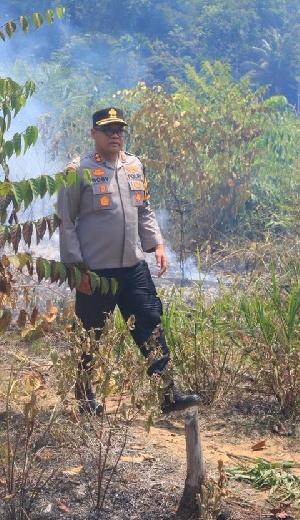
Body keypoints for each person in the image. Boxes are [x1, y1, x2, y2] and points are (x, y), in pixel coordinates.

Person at [57, 107, 201, 415]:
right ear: (94, 134)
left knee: (150, 324)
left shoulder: (135, 165)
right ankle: (84, 395)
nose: (115, 135)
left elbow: (144, 209)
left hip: (133, 267)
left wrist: (157, 244)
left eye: (119, 129)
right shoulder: (77, 169)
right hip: (95, 272)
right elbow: (66, 221)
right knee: (91, 334)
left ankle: (168, 394)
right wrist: (76, 268)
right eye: (107, 130)